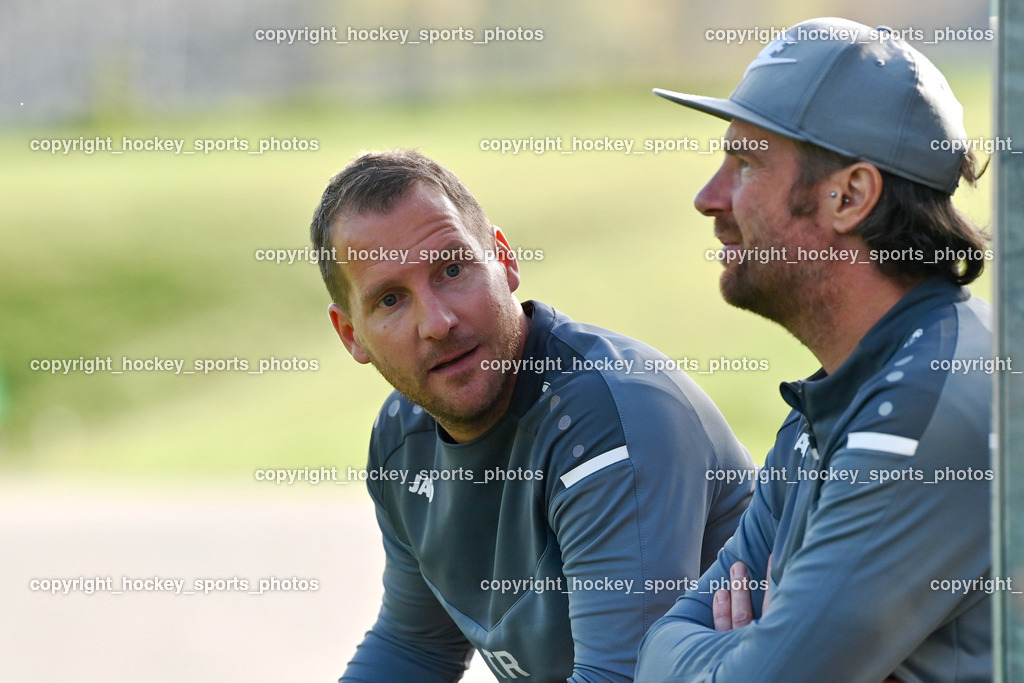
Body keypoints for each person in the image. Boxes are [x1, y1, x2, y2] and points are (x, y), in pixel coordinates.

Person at [309, 149, 755, 681]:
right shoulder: (402, 436)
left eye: (452, 269)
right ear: (350, 334)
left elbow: (616, 677)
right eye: (390, 300)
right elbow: (414, 649)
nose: (438, 322)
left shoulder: (613, 418)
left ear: (503, 258)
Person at [636, 16, 993, 681]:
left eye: (745, 164)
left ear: (850, 196)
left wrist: (753, 650)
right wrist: (757, 649)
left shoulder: (923, 407)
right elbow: (658, 648)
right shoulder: (834, 398)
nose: (708, 198)